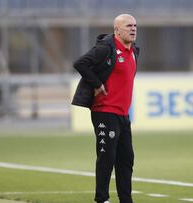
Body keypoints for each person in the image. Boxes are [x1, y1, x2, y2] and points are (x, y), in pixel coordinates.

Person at [71, 14, 139, 203]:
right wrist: (97, 83)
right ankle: (102, 199)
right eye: (128, 26)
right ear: (117, 30)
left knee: (126, 159)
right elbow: (80, 63)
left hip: (123, 115)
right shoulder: (106, 48)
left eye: (135, 25)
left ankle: (126, 199)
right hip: (105, 111)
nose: (133, 29)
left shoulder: (134, 51)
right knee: (106, 157)